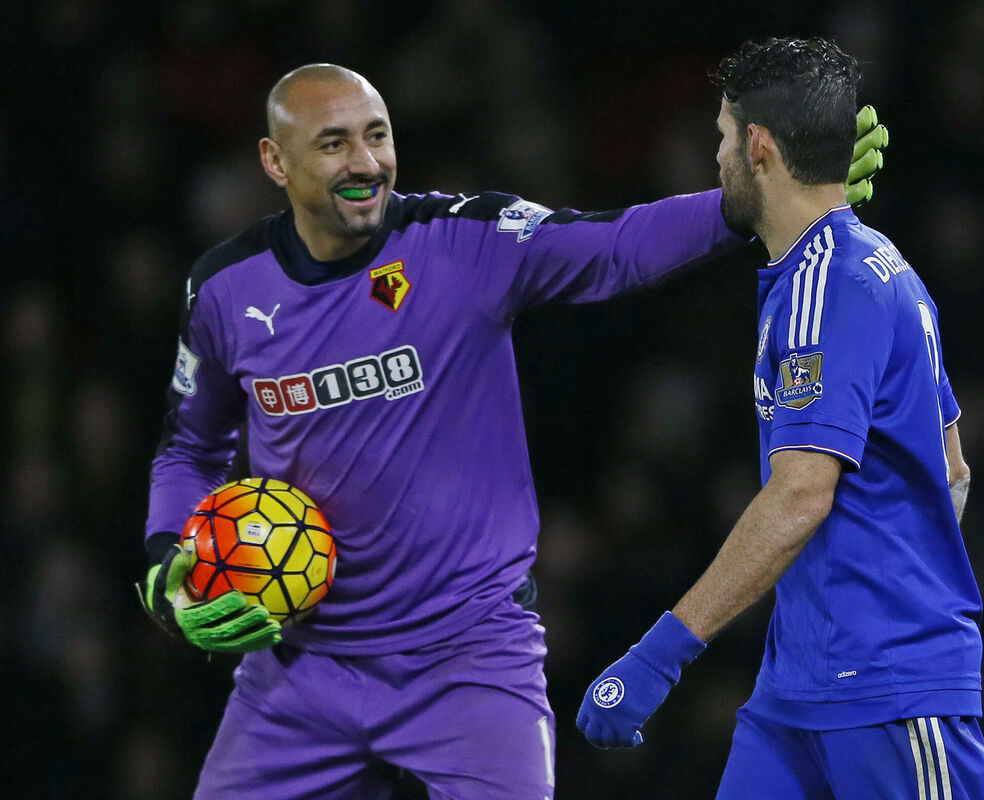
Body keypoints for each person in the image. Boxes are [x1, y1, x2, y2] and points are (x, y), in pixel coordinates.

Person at [136, 63, 887, 798]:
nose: (365, 163)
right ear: (275, 161)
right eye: (334, 144)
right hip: (302, 668)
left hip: (468, 656)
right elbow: (190, 447)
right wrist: (169, 557)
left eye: (377, 136)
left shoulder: (463, 241)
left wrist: (756, 202)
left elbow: (616, 246)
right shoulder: (225, 288)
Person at [577, 37, 984, 799]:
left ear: (759, 147)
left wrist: (658, 655)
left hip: (887, 692)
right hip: (796, 691)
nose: (715, 159)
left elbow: (803, 491)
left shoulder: (828, 286)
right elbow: (953, 468)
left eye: (721, 137)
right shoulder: (871, 264)